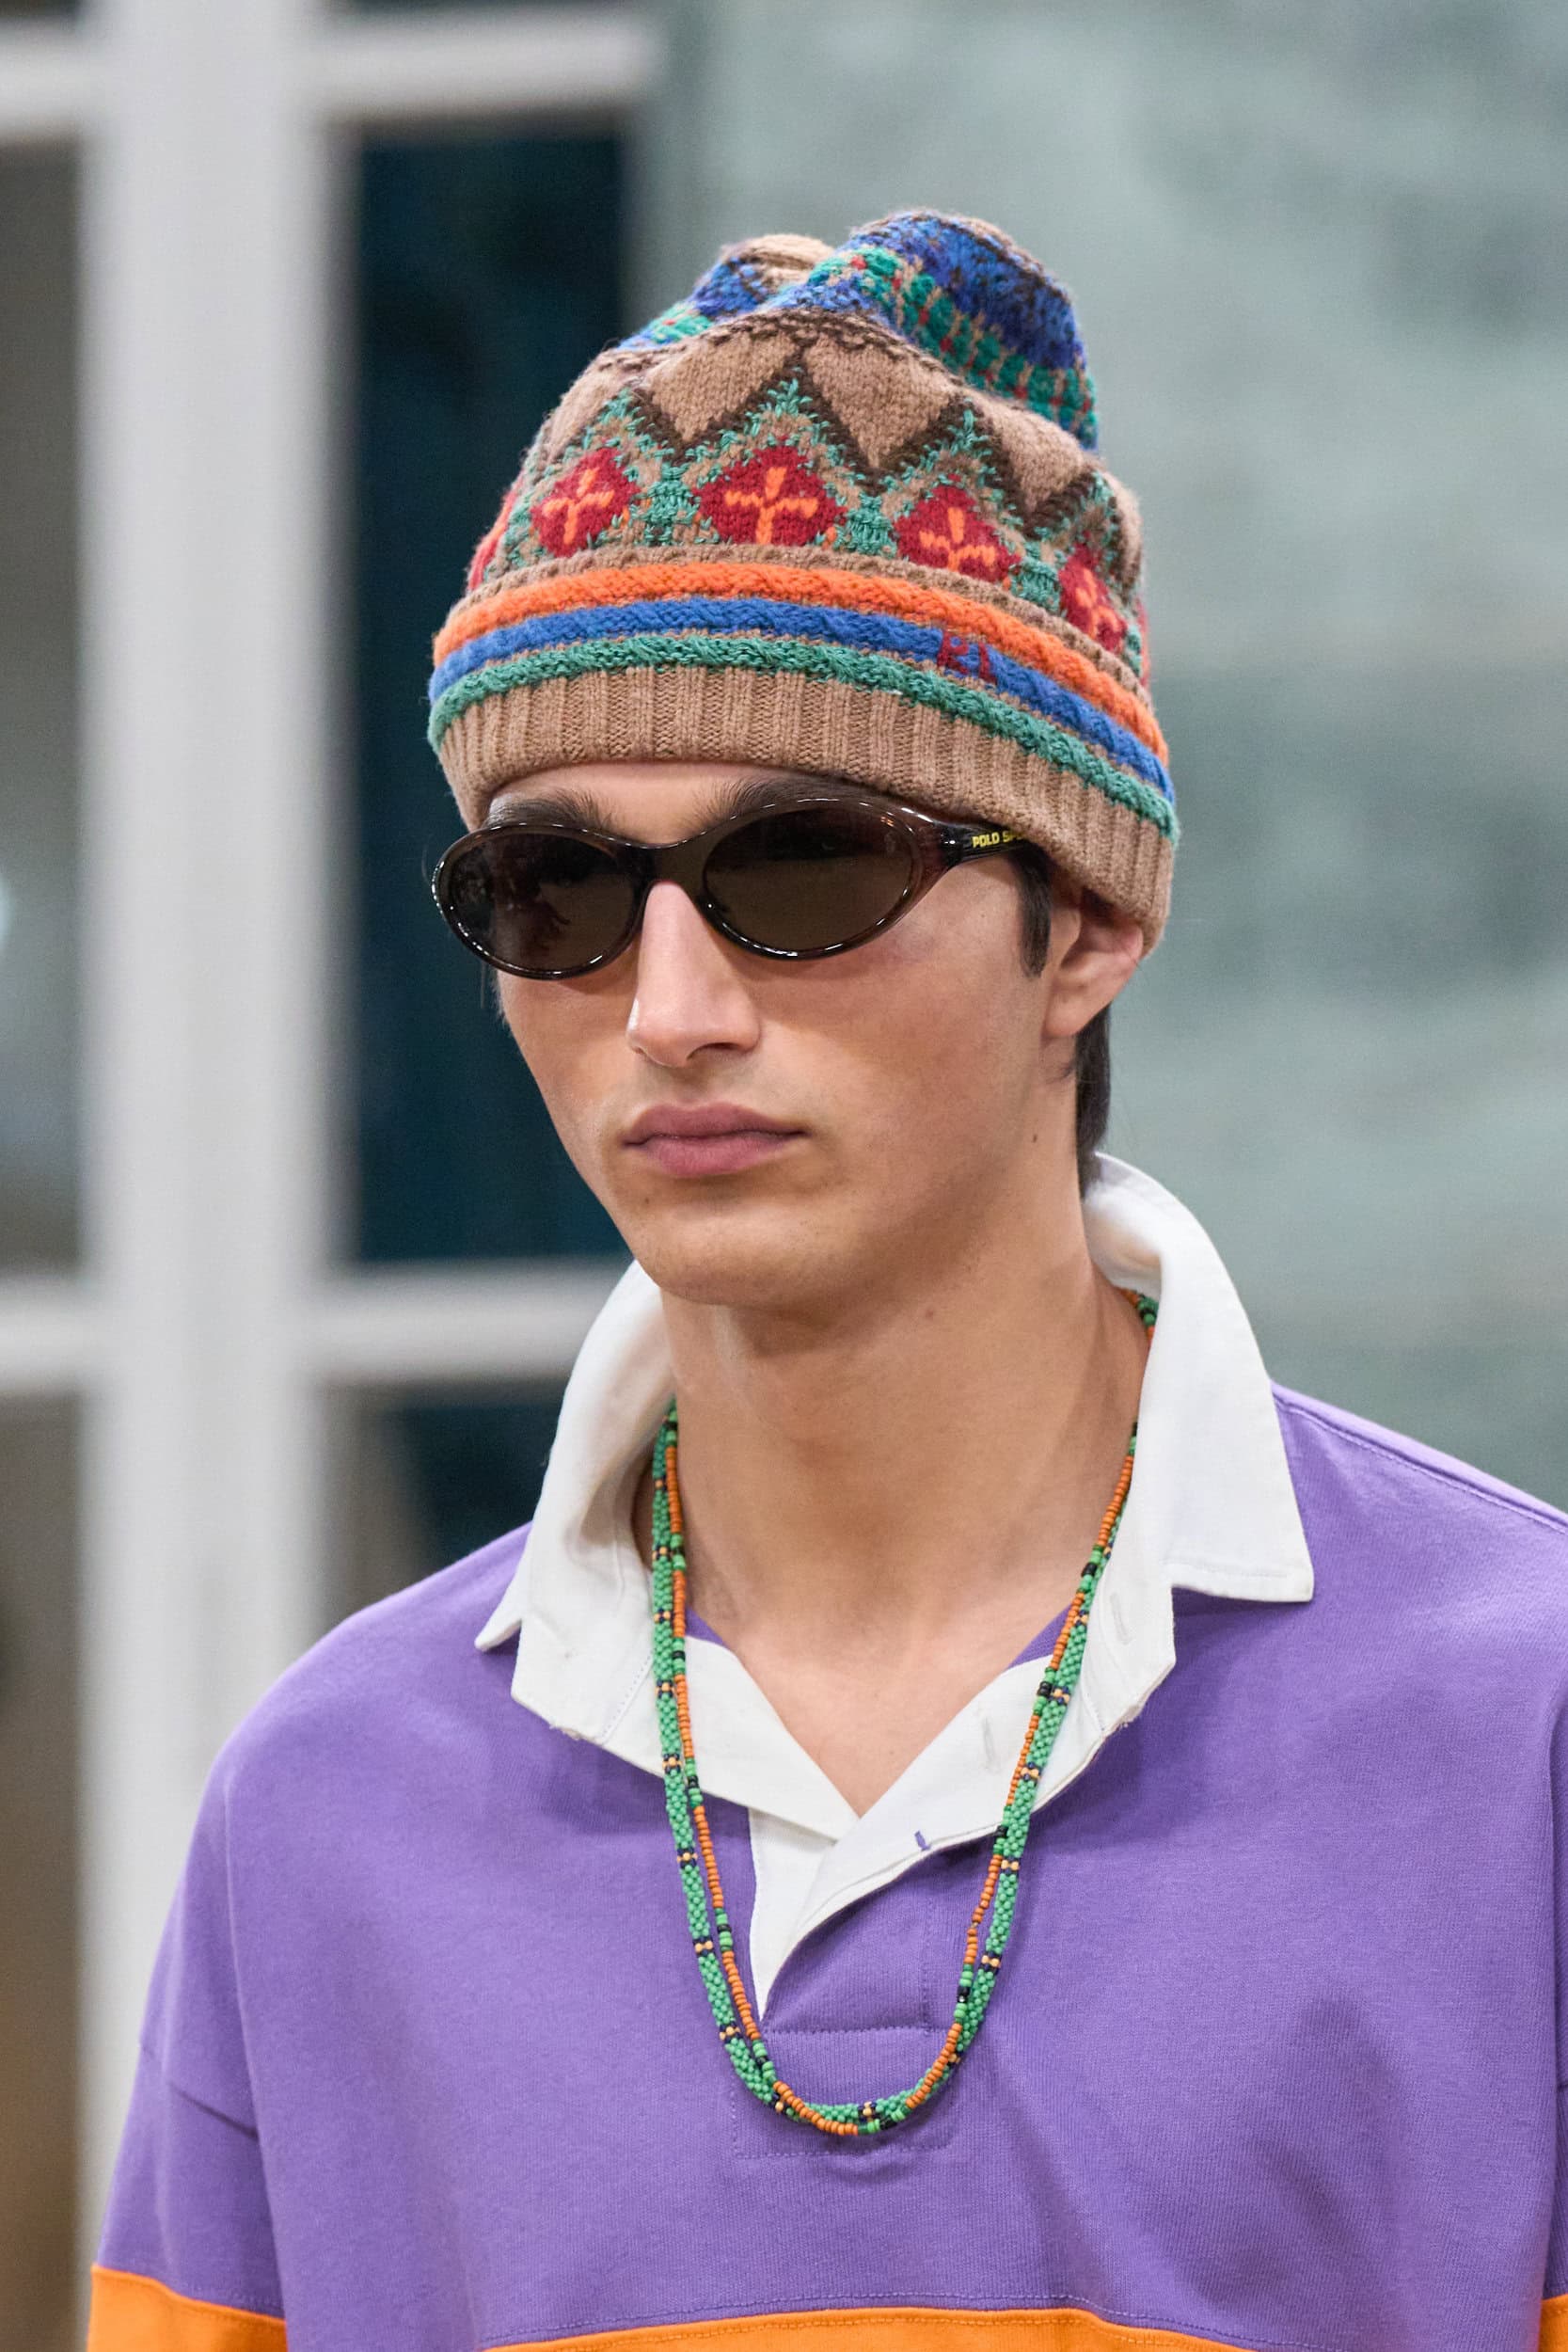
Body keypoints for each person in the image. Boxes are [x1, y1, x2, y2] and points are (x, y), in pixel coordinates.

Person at [87, 214, 1568, 2352]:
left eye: (804, 867)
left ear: (1087, 922)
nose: (671, 1008)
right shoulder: (329, 1815)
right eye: (558, 889)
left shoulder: (1518, 1736)